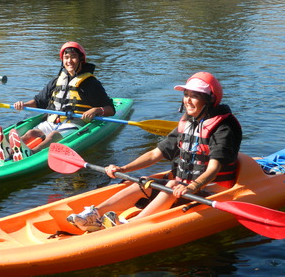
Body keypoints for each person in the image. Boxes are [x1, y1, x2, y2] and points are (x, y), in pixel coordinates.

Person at [67, 72, 242, 232]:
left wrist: (192, 186)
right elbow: (155, 154)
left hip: (214, 189)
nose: (187, 100)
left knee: (171, 184)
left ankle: (133, 226)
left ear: (209, 100)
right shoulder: (188, 123)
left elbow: (213, 169)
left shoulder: (222, 129)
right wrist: (124, 169)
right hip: (183, 185)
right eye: (186, 95)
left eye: (194, 96)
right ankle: (94, 214)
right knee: (145, 182)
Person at [0, 41, 116, 161]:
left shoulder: (90, 83)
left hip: (76, 123)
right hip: (53, 120)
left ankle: (30, 153)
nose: (69, 61)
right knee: (31, 132)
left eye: (73, 57)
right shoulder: (56, 81)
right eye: (66, 57)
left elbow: (111, 109)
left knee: (52, 136)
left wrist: (96, 110)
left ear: (80, 59)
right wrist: (23, 104)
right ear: (62, 60)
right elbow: (39, 101)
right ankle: (9, 151)